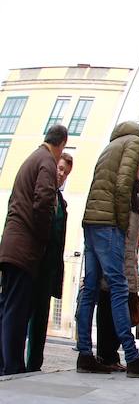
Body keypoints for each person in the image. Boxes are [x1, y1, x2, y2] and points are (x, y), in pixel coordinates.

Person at [76, 120, 139, 378]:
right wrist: (122, 225)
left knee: (90, 289)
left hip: (91, 221)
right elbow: (124, 184)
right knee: (119, 287)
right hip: (108, 223)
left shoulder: (112, 144)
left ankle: (85, 355)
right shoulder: (134, 142)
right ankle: (133, 357)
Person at [0, 125, 67, 375]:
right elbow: (43, 201)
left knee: (7, 306)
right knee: (17, 310)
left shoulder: (31, 158)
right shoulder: (46, 161)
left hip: (10, 245)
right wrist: (43, 238)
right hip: (24, 248)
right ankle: (13, 366)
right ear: (61, 144)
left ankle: (4, 364)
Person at [96, 152, 139, 372]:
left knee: (122, 308)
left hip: (128, 261)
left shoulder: (136, 194)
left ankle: (111, 355)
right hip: (116, 260)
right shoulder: (125, 193)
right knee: (110, 308)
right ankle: (105, 355)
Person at [23, 152, 73, 372]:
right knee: (20, 313)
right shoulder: (38, 190)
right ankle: (9, 363)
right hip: (32, 262)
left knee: (41, 318)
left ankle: (34, 365)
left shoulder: (62, 202)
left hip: (49, 268)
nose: (61, 175)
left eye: (66, 173)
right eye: (60, 169)